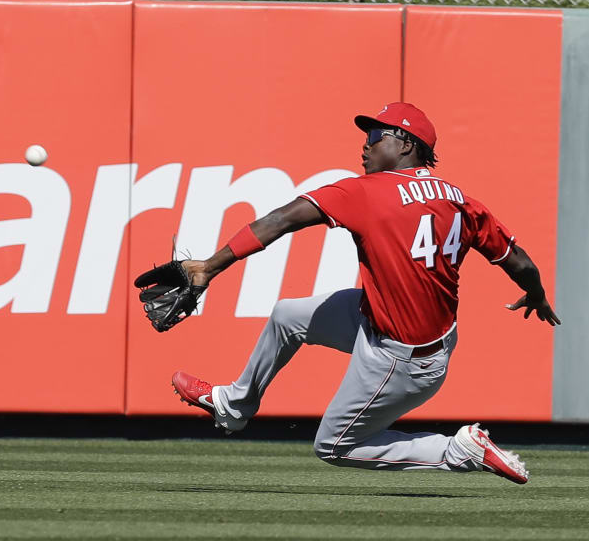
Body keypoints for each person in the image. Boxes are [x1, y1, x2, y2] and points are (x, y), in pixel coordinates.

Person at [168, 102, 559, 484]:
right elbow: (519, 261)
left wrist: (209, 267)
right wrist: (537, 294)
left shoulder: (367, 192)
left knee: (334, 446)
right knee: (288, 315)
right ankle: (234, 405)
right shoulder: (461, 200)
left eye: (375, 135)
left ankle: (457, 450)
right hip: (392, 325)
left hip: (400, 358)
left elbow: (280, 220)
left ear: (406, 145)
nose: (365, 145)